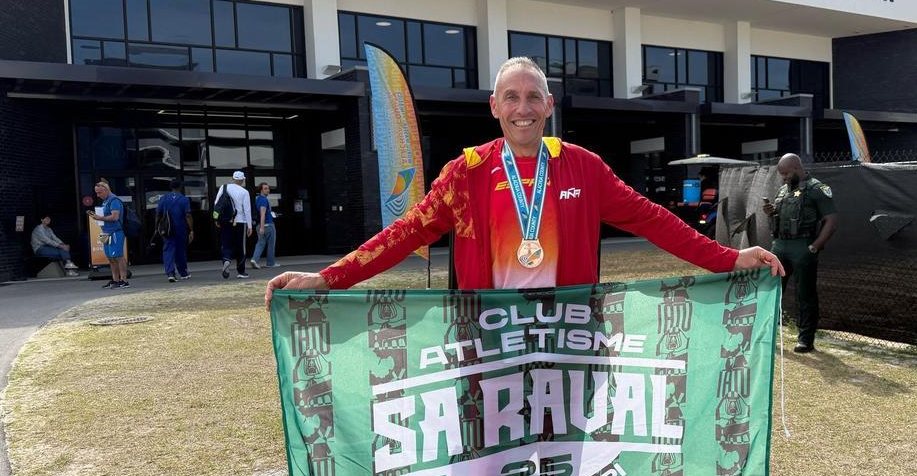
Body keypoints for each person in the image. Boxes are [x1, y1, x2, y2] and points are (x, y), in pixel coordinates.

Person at [267, 57, 782, 308]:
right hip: (488, 338)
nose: (523, 108)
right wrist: (328, 278)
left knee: (568, 445)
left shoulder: (582, 166)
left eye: (533, 96)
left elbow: (653, 220)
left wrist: (729, 258)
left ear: (549, 105)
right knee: (489, 449)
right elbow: (403, 234)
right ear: (494, 107)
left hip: (572, 333)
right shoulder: (464, 173)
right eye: (510, 97)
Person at [762, 153, 838, 353]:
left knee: (805, 294)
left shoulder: (816, 189)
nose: (783, 177)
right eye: (781, 174)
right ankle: (767, 334)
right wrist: (771, 212)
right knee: (771, 290)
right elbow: (781, 215)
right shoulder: (783, 190)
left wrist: (814, 246)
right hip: (779, 245)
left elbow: (831, 221)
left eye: (786, 173)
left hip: (803, 246)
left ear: (796, 168)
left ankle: (805, 338)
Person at [88, 180, 129, 289]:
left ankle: (124, 280)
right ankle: (115, 280)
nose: (98, 195)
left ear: (106, 190)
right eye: (96, 192)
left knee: (118, 256)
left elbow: (115, 217)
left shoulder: (114, 200)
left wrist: (99, 218)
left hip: (115, 232)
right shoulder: (105, 201)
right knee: (110, 257)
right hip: (105, 232)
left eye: (99, 192)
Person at [215, 170, 253, 279]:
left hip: (225, 221)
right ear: (242, 180)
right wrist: (250, 226)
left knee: (226, 243)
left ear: (233, 178)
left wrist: (217, 218)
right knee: (241, 246)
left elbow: (217, 203)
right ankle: (241, 271)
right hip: (240, 221)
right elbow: (247, 210)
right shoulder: (244, 192)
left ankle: (226, 259)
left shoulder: (224, 187)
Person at [157, 177, 194, 282]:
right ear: (180, 187)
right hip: (180, 228)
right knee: (180, 250)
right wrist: (191, 229)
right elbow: (188, 215)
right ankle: (183, 272)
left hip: (167, 228)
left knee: (168, 250)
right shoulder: (184, 199)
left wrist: (157, 226)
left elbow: (158, 214)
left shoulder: (163, 198)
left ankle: (170, 273)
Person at [249, 182, 280, 270]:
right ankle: (270, 263)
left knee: (260, 243)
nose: (268, 190)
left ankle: (255, 259)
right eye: (265, 188)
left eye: (268, 188)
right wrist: (262, 227)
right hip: (268, 225)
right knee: (271, 244)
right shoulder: (263, 200)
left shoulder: (258, 199)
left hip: (260, 225)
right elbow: (262, 214)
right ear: (261, 190)